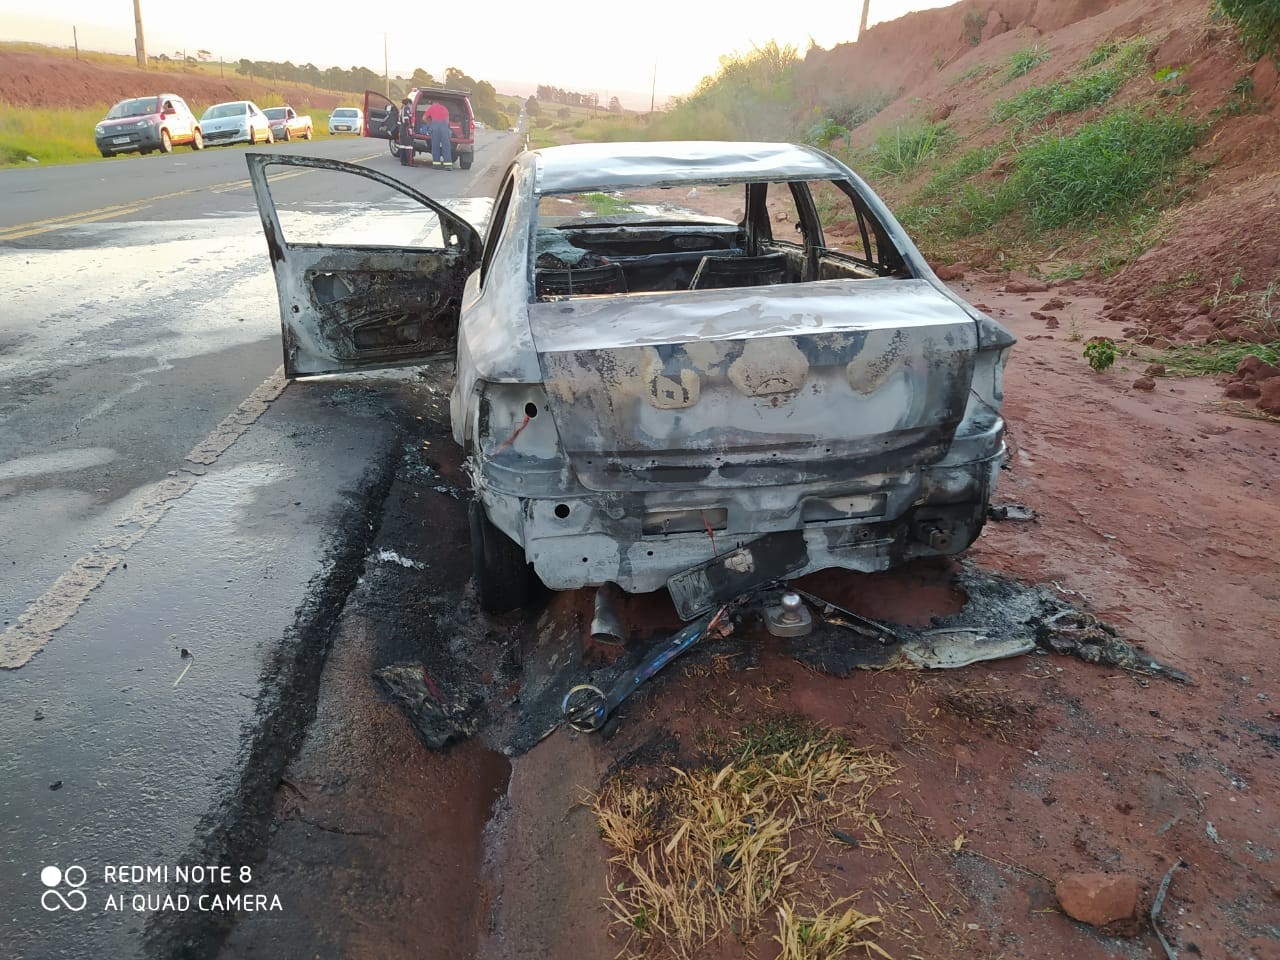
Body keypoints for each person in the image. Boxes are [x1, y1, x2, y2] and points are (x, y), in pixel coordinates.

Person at [423, 101, 452, 169]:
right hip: (444, 128)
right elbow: (447, 121)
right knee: (446, 146)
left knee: (435, 146)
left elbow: (424, 118)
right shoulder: (444, 108)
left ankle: (436, 165)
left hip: (435, 128)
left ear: (433, 103)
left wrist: (429, 124)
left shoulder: (431, 108)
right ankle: (448, 165)